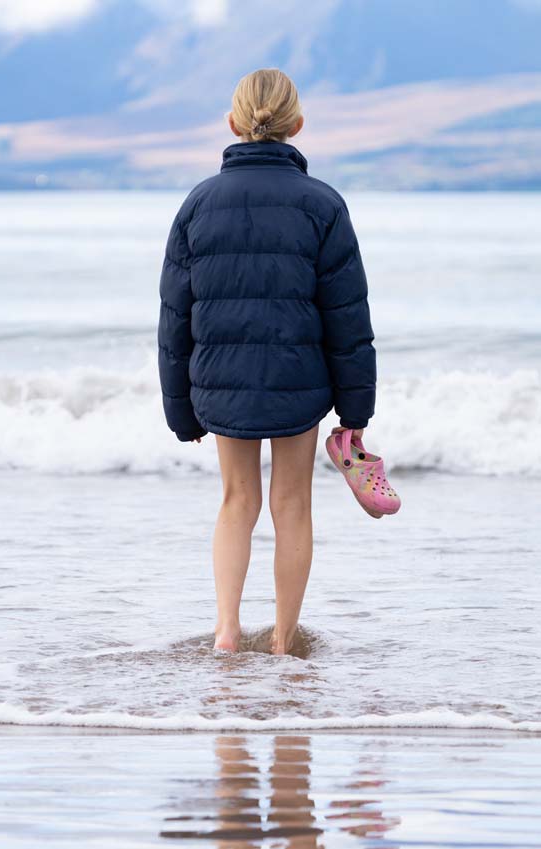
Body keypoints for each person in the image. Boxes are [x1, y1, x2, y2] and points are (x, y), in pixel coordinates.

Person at [158, 68, 376, 655]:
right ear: (297, 126)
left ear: (233, 124)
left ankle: (226, 633)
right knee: (291, 504)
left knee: (236, 500)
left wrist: (182, 411)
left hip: (220, 383)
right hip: (297, 381)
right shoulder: (323, 204)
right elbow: (348, 318)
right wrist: (355, 411)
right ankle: (282, 640)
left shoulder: (198, 204)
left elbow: (175, 318)